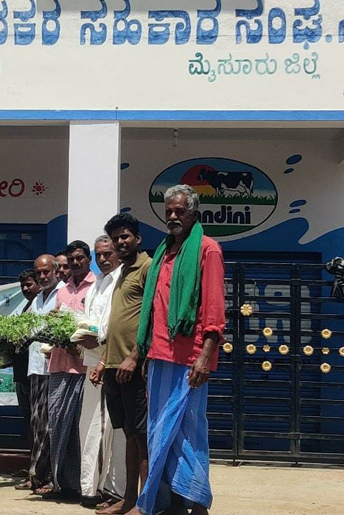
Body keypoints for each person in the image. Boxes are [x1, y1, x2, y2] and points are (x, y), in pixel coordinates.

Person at [133, 185, 225, 515]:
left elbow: (214, 308)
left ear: (194, 214)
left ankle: (197, 503)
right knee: (160, 433)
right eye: (169, 211)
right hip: (158, 356)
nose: (173, 216)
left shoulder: (207, 249)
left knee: (188, 432)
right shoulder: (162, 252)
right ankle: (168, 503)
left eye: (180, 211)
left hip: (190, 360)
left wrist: (205, 356)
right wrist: (144, 354)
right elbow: (154, 308)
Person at [95, 213, 152, 515]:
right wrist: (105, 360)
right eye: (116, 238)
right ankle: (129, 499)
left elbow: (153, 316)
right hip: (113, 365)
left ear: (137, 239)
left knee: (141, 436)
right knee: (129, 434)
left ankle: (145, 503)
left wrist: (135, 357)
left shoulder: (148, 268)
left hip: (133, 366)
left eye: (125, 236)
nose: (120, 242)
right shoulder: (121, 272)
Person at [36, 240, 95, 501]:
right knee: (58, 425)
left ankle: (84, 486)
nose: (75, 263)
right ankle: (62, 483)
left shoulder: (96, 287)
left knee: (81, 429)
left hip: (83, 367)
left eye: (80, 258)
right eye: (71, 259)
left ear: (89, 259)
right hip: (59, 365)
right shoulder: (62, 290)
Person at [82, 235, 125, 508]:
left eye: (107, 253)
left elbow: (118, 327)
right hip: (92, 361)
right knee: (91, 427)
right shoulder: (97, 283)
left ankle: (110, 489)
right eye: (98, 254)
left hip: (111, 363)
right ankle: (92, 487)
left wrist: (102, 358)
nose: (102, 259)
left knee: (111, 430)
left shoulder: (121, 282)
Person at [25, 254, 65, 493]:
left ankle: (47, 475)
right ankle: (37, 473)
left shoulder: (63, 294)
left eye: (46, 271)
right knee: (37, 422)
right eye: (38, 272)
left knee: (51, 424)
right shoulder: (38, 298)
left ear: (56, 270)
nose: (42, 276)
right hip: (36, 367)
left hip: (54, 368)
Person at [11, 269, 40, 490]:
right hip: (22, 373)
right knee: (29, 421)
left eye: (29, 284)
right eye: (23, 285)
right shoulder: (26, 307)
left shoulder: (41, 306)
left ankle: (37, 472)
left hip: (35, 373)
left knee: (37, 423)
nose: (25, 289)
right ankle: (32, 465)